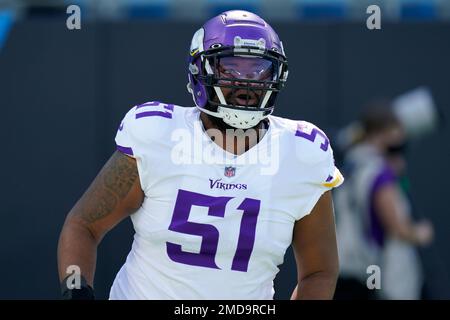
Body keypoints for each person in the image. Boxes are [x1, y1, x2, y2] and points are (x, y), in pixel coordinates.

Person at [57, 10, 344, 300]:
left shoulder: (303, 153)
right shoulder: (157, 133)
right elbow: (84, 225)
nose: (247, 83)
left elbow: (319, 270)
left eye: (259, 69)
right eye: (231, 68)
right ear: (200, 71)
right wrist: (77, 291)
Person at [334, 101, 433, 299]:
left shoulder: (352, 165)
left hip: (345, 268)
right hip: (373, 274)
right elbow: (396, 228)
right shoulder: (379, 174)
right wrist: (420, 234)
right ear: (383, 134)